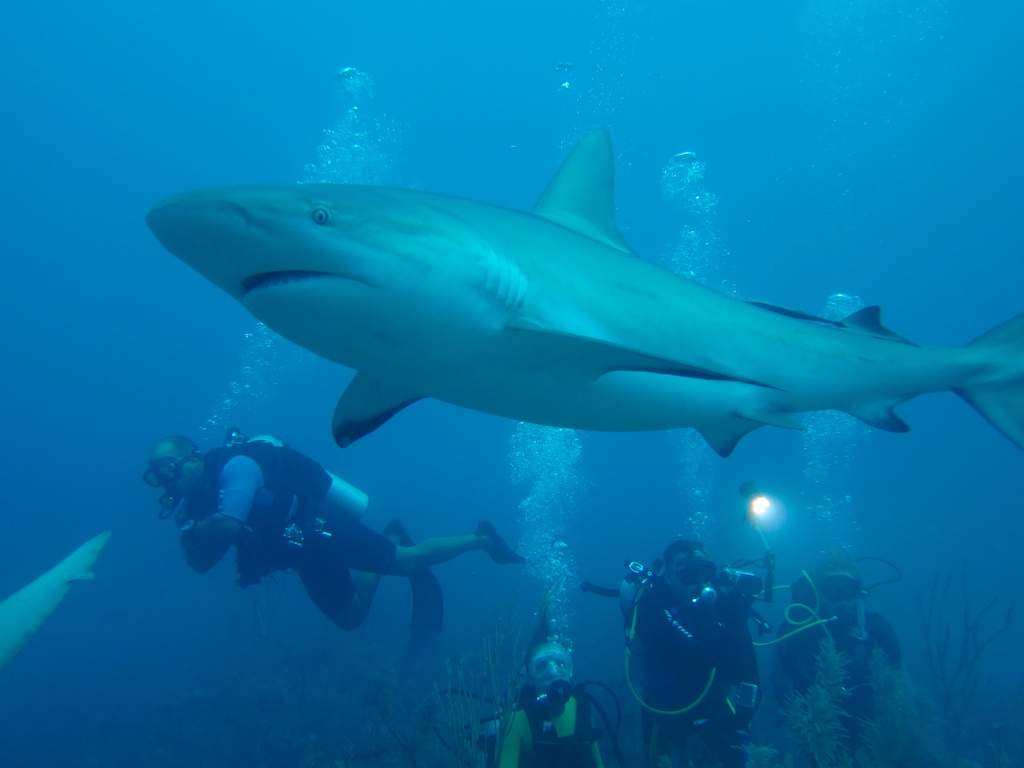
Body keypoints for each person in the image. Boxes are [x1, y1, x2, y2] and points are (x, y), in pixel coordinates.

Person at [142, 433, 524, 635]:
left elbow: (227, 525)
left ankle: (483, 539)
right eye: (157, 477)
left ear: (192, 458)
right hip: (298, 553)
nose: (165, 483)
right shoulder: (193, 509)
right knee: (351, 619)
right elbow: (200, 566)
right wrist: (192, 534)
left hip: (319, 527)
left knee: (410, 563)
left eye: (168, 470)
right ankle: (389, 537)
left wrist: (193, 531)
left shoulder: (237, 466)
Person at [629, 539, 760, 768]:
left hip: (715, 708)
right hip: (666, 717)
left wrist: (742, 726)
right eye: (689, 571)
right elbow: (680, 650)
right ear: (669, 576)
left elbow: (748, 671)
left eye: (704, 570)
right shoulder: (653, 607)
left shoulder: (720, 608)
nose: (699, 580)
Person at [771, 553, 901, 749]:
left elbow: (897, 677)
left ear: (858, 592)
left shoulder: (876, 627)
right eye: (832, 589)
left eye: (848, 589)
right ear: (817, 592)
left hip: (874, 731)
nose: (841, 598)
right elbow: (780, 676)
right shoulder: (797, 627)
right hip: (817, 731)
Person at [496, 615, 606, 768]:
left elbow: (598, 762)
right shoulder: (517, 720)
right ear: (530, 675)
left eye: (561, 664)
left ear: (571, 670)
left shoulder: (583, 707)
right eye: (541, 666)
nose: (553, 673)